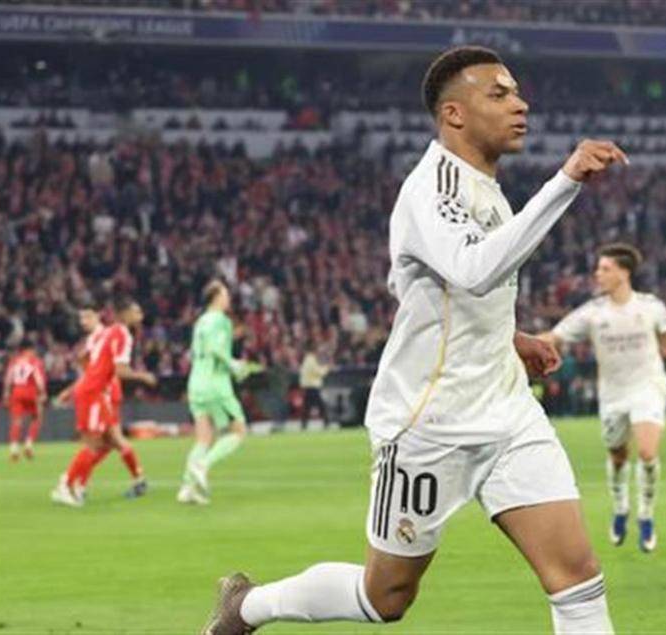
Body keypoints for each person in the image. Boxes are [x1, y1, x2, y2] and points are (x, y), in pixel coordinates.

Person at [202, 46, 626, 634]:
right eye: (499, 94)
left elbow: (442, 294)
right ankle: (248, 605)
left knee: (576, 577)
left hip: (507, 412)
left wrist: (509, 337)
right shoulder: (431, 188)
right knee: (386, 596)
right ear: (454, 114)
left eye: (517, 92)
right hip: (429, 423)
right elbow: (475, 269)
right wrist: (565, 181)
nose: (520, 104)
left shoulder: (484, 187)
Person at [540, 243, 666, 553]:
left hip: (648, 387)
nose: (597, 274)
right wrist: (517, 342)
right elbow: (554, 337)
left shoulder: (651, 307)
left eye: (604, 269)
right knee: (618, 456)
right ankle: (620, 508)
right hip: (613, 394)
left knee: (646, 451)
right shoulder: (592, 313)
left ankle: (646, 515)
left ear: (623, 272)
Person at [51, 298, 156, 507]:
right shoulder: (122, 334)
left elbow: (86, 360)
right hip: (96, 391)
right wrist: (143, 376)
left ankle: (75, 483)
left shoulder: (106, 333)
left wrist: (73, 388)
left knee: (105, 442)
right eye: (137, 312)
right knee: (95, 443)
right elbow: (120, 370)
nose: (140, 316)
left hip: (96, 390)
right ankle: (68, 484)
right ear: (124, 314)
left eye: (87, 317)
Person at [179, 280, 259, 505]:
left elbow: (196, 352)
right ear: (216, 297)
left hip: (196, 382)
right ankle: (202, 465)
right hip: (215, 383)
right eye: (225, 294)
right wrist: (234, 365)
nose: (228, 298)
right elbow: (216, 348)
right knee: (239, 430)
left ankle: (187, 488)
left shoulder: (200, 321)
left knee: (203, 437)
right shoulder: (221, 321)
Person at [2, 341, 46, 461]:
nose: (34, 352)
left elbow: (8, 378)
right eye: (33, 350)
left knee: (16, 421)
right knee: (37, 418)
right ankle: (28, 444)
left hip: (16, 391)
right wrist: (43, 392)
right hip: (30, 391)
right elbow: (39, 378)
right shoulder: (35, 362)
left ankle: (14, 449)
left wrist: (6, 393)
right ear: (28, 350)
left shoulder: (14, 361)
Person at [299, 346, 330, 428]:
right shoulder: (311, 360)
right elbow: (317, 372)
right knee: (321, 405)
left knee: (307, 406)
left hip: (308, 386)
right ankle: (326, 422)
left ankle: (304, 424)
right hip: (312, 386)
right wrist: (326, 368)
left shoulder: (307, 360)